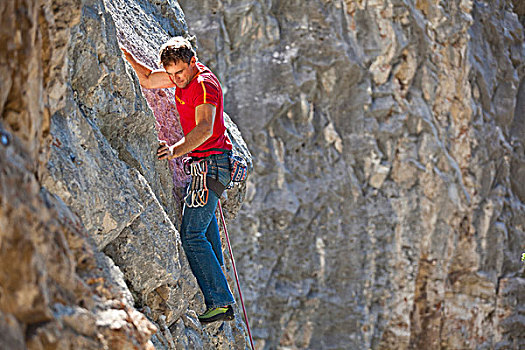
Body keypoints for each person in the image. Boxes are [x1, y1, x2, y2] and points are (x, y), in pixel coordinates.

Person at [121, 36, 235, 324]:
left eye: (180, 72)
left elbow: (205, 129)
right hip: (204, 168)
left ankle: (221, 301)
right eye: (171, 74)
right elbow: (147, 79)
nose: (176, 79)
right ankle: (218, 298)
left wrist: (173, 150)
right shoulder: (182, 79)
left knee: (192, 234)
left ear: (193, 62)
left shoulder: (203, 85)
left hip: (212, 167)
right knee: (206, 234)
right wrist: (125, 55)